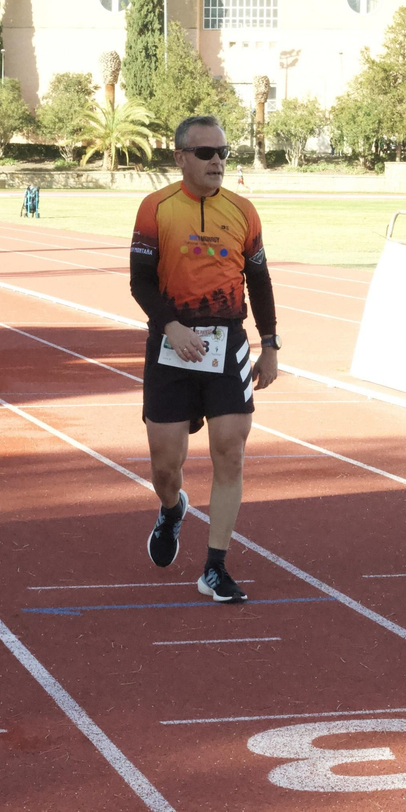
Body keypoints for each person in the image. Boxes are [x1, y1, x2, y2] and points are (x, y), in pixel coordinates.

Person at [131, 115, 280, 604]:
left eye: (223, 152)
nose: (217, 160)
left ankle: (214, 567)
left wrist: (270, 344)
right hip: (171, 346)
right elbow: (141, 282)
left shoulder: (244, 211)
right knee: (165, 466)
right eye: (205, 153)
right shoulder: (155, 209)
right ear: (180, 157)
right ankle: (172, 510)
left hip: (228, 344)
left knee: (229, 453)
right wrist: (170, 327)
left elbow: (259, 282)